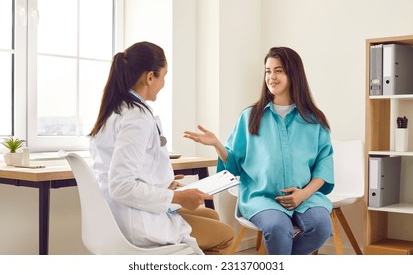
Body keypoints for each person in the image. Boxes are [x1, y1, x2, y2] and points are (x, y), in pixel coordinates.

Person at [184, 46, 334, 255]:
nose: (271, 77)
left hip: (305, 196)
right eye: (268, 71)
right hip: (261, 197)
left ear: (294, 73)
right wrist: (217, 144)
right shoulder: (250, 117)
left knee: (322, 226)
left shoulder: (314, 120)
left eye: (278, 70)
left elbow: (323, 166)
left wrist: (303, 194)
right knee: (277, 227)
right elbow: (234, 165)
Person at [88, 41, 233, 255]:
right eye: (163, 76)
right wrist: (176, 197)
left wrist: (164, 186)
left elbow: (125, 172)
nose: (164, 83)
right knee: (224, 235)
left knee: (211, 216)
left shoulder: (114, 110)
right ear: (149, 77)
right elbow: (121, 185)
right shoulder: (136, 117)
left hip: (114, 216)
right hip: (134, 223)